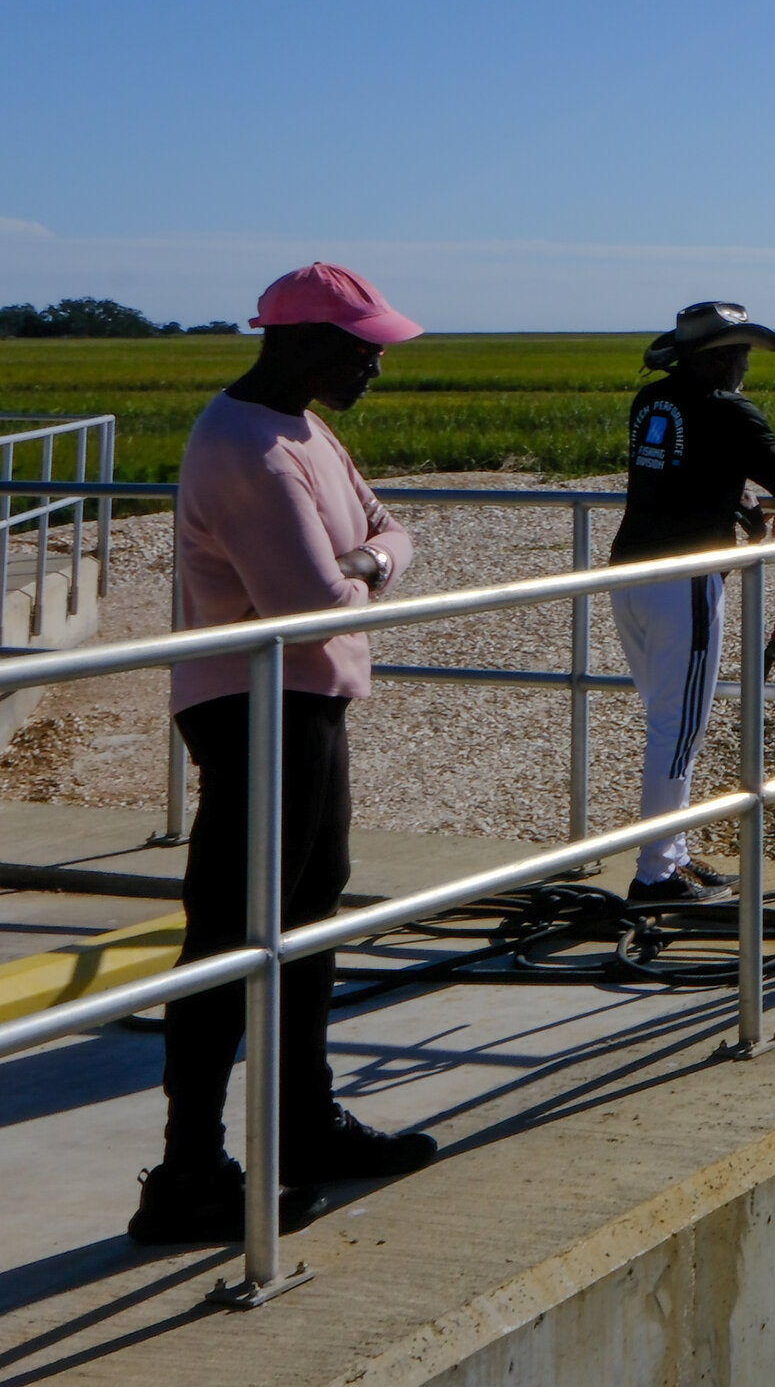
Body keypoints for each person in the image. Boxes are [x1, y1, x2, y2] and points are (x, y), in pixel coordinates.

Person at [129, 263, 439, 1245]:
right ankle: (186, 1172)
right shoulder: (247, 446)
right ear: (301, 339)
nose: (375, 366)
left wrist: (369, 564)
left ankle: (304, 1123)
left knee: (304, 917)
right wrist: (357, 573)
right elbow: (307, 606)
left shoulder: (302, 425)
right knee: (232, 933)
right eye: (362, 348)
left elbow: (393, 532)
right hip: (256, 706)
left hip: (307, 704)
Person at [610, 301, 775, 902]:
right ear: (721, 357)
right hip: (687, 580)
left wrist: (735, 506)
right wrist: (764, 504)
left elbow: (678, 474)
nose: (747, 362)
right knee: (679, 728)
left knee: (666, 719)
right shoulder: (727, 409)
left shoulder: (654, 402)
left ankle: (672, 856)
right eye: (742, 351)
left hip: (629, 571)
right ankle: (654, 874)